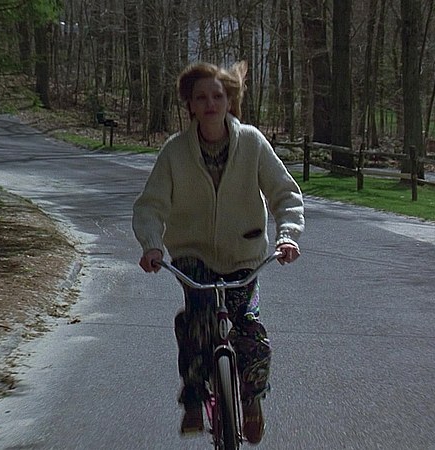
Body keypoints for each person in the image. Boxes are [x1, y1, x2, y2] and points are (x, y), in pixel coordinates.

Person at [132, 60, 304, 444]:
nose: (210, 104)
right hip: (193, 255)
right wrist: (152, 245)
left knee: (249, 329)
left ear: (229, 101)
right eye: (201, 98)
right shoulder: (175, 152)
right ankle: (194, 399)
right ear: (190, 105)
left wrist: (288, 236)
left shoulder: (253, 143)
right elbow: (151, 205)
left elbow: (284, 193)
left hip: (245, 253)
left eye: (217, 96)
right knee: (198, 319)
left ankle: (252, 400)